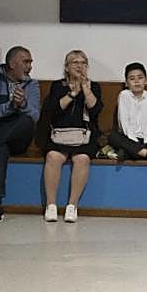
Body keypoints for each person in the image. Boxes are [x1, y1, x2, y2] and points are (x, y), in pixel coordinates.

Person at [0, 45, 40, 222]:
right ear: (12, 63)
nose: (30, 66)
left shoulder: (32, 85)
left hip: (19, 138)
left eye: (31, 62)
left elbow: (35, 116)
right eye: (26, 62)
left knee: (26, 121)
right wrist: (10, 106)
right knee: (0, 147)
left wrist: (24, 104)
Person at [42, 49, 101, 223]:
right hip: (60, 135)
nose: (79, 66)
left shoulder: (93, 86)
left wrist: (85, 89)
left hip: (84, 136)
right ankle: (51, 205)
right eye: (75, 62)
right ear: (67, 67)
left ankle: (72, 206)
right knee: (53, 156)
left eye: (83, 63)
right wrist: (71, 94)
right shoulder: (58, 86)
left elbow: (96, 110)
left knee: (82, 158)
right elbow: (53, 111)